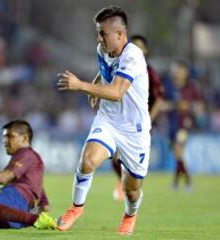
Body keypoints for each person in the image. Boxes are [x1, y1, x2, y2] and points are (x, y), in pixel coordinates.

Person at [56, 6, 151, 235]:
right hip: (108, 119)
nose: (99, 38)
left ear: (120, 34)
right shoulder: (103, 49)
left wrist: (81, 86)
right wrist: (96, 85)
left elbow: (117, 92)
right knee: (87, 161)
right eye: (98, 33)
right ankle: (76, 208)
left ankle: (130, 214)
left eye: (103, 33)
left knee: (131, 190)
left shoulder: (133, 56)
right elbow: (106, 70)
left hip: (134, 129)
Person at [110, 34, 165, 201]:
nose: (136, 49)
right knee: (115, 153)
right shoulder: (121, 66)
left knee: (136, 160)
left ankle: (134, 189)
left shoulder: (150, 72)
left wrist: (148, 120)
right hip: (122, 120)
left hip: (141, 123)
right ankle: (123, 184)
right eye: (134, 45)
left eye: (140, 46)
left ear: (145, 50)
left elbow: (159, 99)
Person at [164, 60, 202, 191]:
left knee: (178, 149)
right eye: (177, 70)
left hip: (185, 124)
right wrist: (174, 105)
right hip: (172, 125)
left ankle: (187, 182)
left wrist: (190, 107)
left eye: (181, 70)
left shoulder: (191, 87)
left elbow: (199, 106)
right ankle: (176, 182)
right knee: (177, 155)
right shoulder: (169, 87)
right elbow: (162, 105)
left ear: (186, 72)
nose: (179, 73)